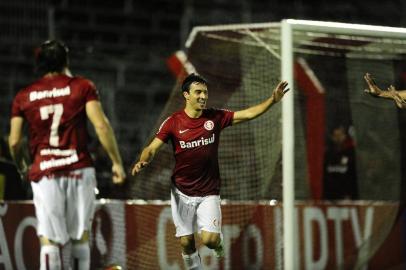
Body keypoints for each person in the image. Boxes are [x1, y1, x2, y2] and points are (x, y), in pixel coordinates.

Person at [131, 73, 288, 270]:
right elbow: (152, 148)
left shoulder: (215, 117)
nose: (203, 96)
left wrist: (272, 100)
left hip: (208, 192)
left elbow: (247, 114)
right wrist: (143, 160)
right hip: (181, 191)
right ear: (186, 95)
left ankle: (218, 244)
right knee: (186, 243)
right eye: (198, 92)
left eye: (205, 92)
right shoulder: (173, 122)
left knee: (210, 240)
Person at [8, 40, 126, 270]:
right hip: (79, 169)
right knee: (80, 237)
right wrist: (116, 163)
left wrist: (23, 167)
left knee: (50, 241)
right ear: (66, 61)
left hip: (46, 171)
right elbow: (101, 126)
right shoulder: (82, 87)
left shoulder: (24, 96)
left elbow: (14, 141)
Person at [323, 125, 358, 200]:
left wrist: (350, 194)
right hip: (329, 197)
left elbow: (353, 176)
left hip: (346, 197)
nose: (338, 138)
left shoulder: (350, 154)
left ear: (344, 136)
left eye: (340, 135)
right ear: (332, 137)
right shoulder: (327, 155)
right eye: (336, 136)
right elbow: (325, 176)